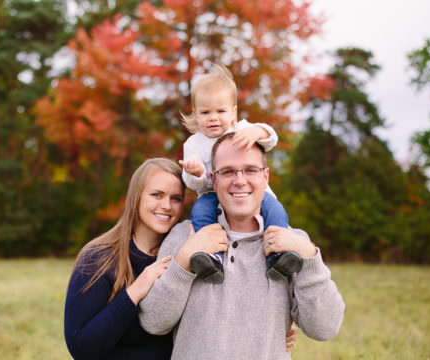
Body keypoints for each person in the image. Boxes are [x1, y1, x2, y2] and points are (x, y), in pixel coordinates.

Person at [63, 158, 299, 359]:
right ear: (136, 197)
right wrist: (135, 292)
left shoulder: (191, 251)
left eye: (176, 198)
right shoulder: (99, 258)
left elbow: (215, 315)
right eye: (157, 195)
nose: (166, 206)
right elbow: (82, 348)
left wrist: (272, 329)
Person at [139, 134, 345, 360]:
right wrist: (184, 261)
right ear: (213, 180)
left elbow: (324, 329)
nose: (239, 180)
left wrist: (309, 257)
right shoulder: (184, 237)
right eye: (227, 171)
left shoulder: (292, 243)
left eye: (250, 170)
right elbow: (153, 322)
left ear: (265, 177)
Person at [178, 64, 302, 283]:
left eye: (221, 111)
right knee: (200, 213)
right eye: (206, 113)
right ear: (196, 115)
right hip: (210, 192)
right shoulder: (194, 143)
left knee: (275, 209)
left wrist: (258, 131)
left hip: (251, 192)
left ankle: (279, 253)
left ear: (233, 112)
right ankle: (210, 256)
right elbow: (192, 183)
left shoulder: (241, 129)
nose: (213, 118)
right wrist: (196, 173)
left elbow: (271, 139)